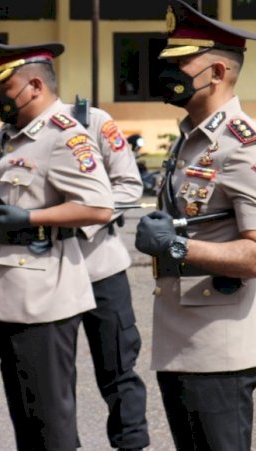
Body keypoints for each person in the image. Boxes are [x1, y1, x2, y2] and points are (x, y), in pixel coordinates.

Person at [134, 0, 256, 451]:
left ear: (218, 73)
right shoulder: (191, 140)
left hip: (219, 350)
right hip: (182, 341)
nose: (170, 72)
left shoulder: (246, 148)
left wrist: (177, 247)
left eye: (182, 63)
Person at [0, 39, 114, 450]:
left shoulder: (65, 136)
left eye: (4, 89)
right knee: (27, 418)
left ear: (34, 85)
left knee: (50, 420)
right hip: (10, 292)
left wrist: (31, 219)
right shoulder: (11, 136)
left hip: (44, 299)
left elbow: (98, 206)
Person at [64, 99, 150, 450]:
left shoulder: (93, 121)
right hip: (47, 273)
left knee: (118, 368)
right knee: (53, 378)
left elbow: (129, 186)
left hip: (101, 266)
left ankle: (130, 444)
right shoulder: (16, 131)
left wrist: (81, 220)